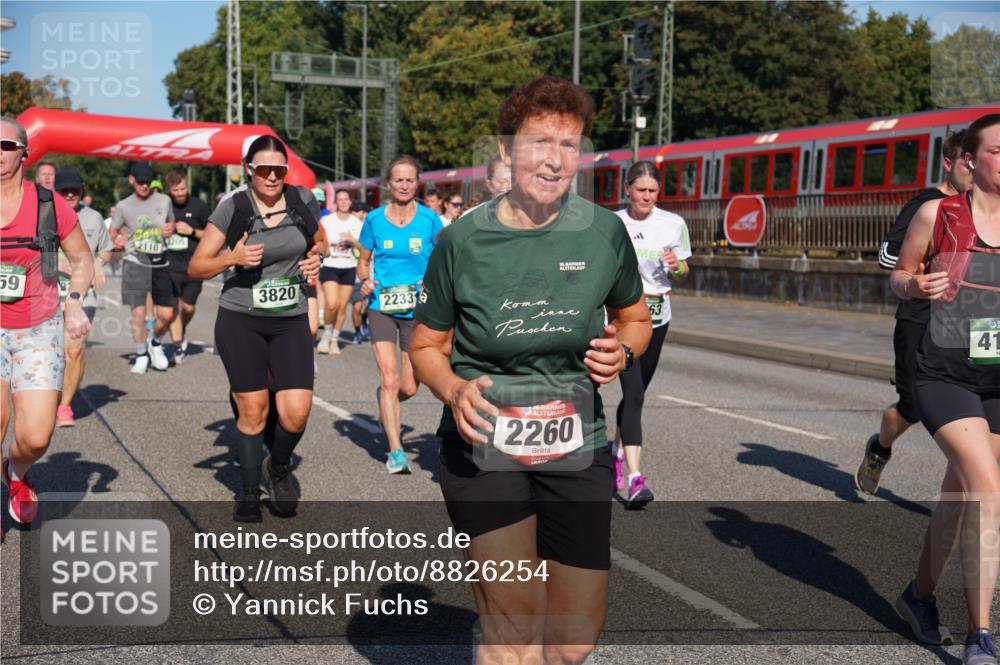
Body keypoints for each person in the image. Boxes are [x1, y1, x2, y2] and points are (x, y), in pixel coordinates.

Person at [410, 76, 651, 664]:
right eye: (541, 141)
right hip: (486, 443)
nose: (555, 158)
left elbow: (636, 319)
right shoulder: (463, 240)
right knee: (513, 627)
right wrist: (452, 387)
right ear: (506, 151)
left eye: (570, 144)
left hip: (577, 443)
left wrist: (622, 352)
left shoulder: (604, 232)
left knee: (572, 642)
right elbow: (425, 345)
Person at [889, 114, 1000, 665]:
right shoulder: (940, 214)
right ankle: (982, 634)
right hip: (945, 374)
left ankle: (918, 595)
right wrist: (916, 283)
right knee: (987, 488)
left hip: (998, 377)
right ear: (972, 160)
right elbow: (899, 275)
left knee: (958, 498)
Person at [188, 135, 324, 522]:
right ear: (249, 169)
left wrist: (316, 260)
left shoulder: (302, 200)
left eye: (278, 170)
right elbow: (197, 266)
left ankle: (276, 468)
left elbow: (320, 242)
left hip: (289, 317)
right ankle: (247, 490)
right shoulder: (234, 208)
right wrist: (232, 256)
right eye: (262, 169)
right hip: (241, 320)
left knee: (296, 412)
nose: (271, 177)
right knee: (254, 411)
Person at [855, 130, 973, 494]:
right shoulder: (927, 205)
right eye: (966, 164)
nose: (974, 170)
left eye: (977, 162)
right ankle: (880, 447)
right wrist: (925, 270)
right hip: (920, 319)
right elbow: (887, 256)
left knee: (980, 402)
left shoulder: (983, 207)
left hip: (970, 322)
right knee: (915, 406)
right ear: (948, 163)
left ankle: (971, 488)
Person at [0, 116, 94, 525]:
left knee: (35, 436)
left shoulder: (47, 203)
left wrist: (73, 301)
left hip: (38, 329)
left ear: (25, 152)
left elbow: (82, 260)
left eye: (6, 145)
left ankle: (16, 471)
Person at [612, 160, 691, 508]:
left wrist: (677, 266)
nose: (646, 197)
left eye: (653, 191)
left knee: (637, 392)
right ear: (627, 189)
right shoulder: (614, 223)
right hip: (625, 318)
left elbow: (685, 270)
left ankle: (615, 454)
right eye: (640, 190)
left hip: (659, 316)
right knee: (635, 395)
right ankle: (635, 478)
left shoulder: (673, 224)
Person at [358, 155, 443, 473]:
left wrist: (431, 279)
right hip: (381, 307)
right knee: (390, 378)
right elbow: (363, 260)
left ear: (417, 183)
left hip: (417, 309)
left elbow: (444, 257)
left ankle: (386, 401)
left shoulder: (430, 219)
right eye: (398, 180)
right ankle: (396, 452)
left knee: (408, 385)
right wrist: (364, 280)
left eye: (410, 180)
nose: (404, 185)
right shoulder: (375, 219)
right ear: (388, 184)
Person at [53, 165, 113, 427]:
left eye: (74, 190)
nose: (69, 195)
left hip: (82, 294)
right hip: (46, 292)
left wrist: (98, 262)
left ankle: (65, 406)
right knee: (50, 351)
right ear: (56, 191)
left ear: (81, 190)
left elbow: (107, 250)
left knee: (74, 350)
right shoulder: (43, 215)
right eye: (64, 190)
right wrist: (55, 264)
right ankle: (47, 397)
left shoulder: (94, 218)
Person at [109, 162, 177, 374]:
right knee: (138, 315)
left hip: (160, 263)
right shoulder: (123, 206)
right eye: (140, 182)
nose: (145, 186)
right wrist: (118, 239)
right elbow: (113, 231)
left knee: (166, 315)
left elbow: (171, 223)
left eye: (148, 182)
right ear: (131, 180)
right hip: (135, 263)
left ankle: (155, 342)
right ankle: (140, 354)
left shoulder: (164, 201)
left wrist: (170, 229)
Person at [164, 171, 210, 365]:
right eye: (176, 190)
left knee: (188, 308)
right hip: (168, 265)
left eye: (183, 188)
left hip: (193, 265)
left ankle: (180, 329)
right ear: (169, 190)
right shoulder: (162, 206)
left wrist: (190, 231)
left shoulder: (199, 206)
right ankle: (177, 344)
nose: (180, 193)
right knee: (173, 307)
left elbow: (210, 235)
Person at [317, 189, 364, 355]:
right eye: (340, 199)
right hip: (330, 265)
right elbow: (319, 241)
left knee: (343, 307)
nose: (343, 202)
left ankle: (335, 339)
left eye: (346, 199)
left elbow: (364, 247)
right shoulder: (327, 220)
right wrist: (324, 249)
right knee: (332, 304)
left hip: (348, 267)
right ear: (335, 203)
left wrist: (352, 241)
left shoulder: (356, 223)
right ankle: (326, 334)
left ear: (350, 202)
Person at [350, 200, 372, 345]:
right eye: (358, 211)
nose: (363, 215)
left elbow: (366, 247)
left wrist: (353, 241)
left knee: (371, 307)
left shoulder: (369, 227)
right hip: (354, 273)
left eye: (363, 212)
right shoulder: (348, 226)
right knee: (357, 306)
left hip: (371, 273)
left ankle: (364, 319)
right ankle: (357, 332)